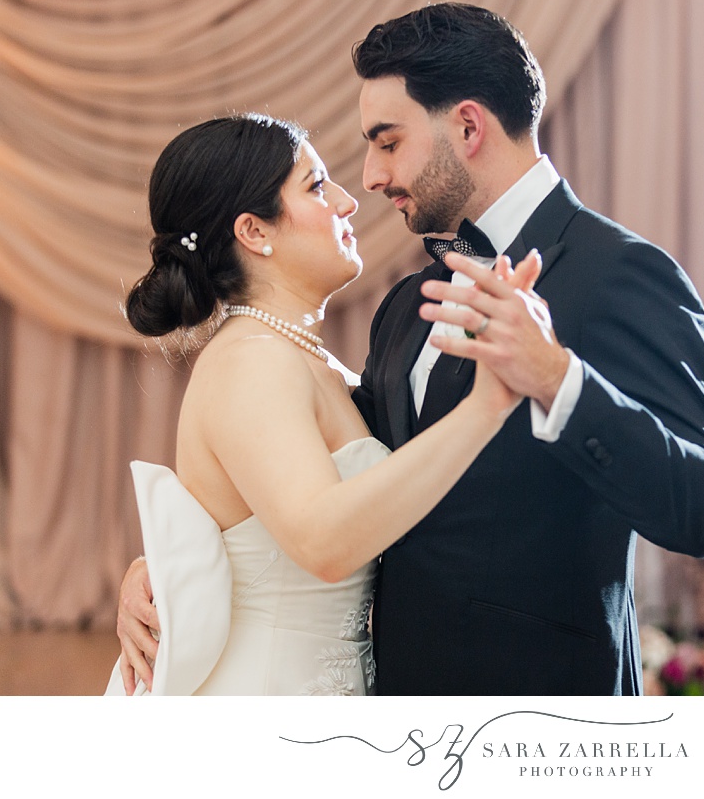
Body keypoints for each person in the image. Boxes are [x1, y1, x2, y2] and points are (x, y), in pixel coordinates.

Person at [119, 3, 704, 695]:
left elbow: (703, 507)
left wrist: (558, 380)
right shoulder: (405, 306)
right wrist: (178, 567)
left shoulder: (621, 273)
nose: (371, 179)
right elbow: (299, 472)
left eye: (386, 142)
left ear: (467, 127)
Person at [109, 112, 541, 695]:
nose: (347, 201)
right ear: (254, 233)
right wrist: (488, 404)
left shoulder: (313, 364)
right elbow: (322, 542)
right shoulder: (250, 361)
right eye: (315, 186)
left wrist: (157, 569)